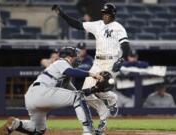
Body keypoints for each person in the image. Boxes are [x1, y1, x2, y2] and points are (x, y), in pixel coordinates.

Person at [52, 3, 131, 134]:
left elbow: (126, 46)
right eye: (103, 13)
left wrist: (121, 59)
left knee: (101, 88)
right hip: (97, 62)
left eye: (107, 13)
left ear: (113, 14)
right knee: (85, 94)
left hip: (111, 62)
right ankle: (105, 111)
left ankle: (111, 101)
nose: (105, 15)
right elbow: (77, 24)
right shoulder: (97, 24)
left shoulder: (118, 27)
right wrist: (62, 15)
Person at [0, 47, 103, 135]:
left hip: (32, 96)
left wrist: (93, 90)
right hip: (42, 91)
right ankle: (88, 131)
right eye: (75, 56)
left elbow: (76, 93)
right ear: (69, 57)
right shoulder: (61, 62)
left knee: (38, 130)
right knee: (78, 97)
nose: (77, 59)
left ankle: (16, 124)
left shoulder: (63, 74)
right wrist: (92, 74)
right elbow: (71, 73)